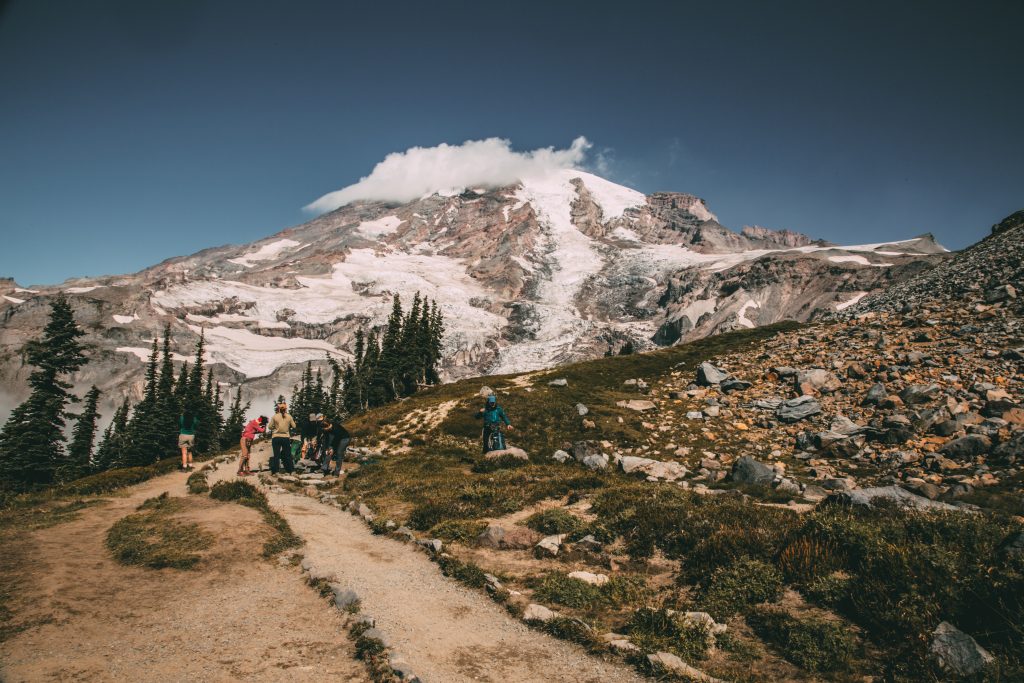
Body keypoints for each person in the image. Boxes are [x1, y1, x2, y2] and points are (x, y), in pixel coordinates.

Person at [268, 402, 297, 474]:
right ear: (286, 409)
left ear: (279, 409)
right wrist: (288, 426)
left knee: (276, 455)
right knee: (288, 455)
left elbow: (269, 427)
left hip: (276, 437)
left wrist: (276, 427)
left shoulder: (275, 416)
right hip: (285, 437)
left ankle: (276, 471)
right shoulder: (289, 416)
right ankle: (291, 470)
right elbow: (294, 426)